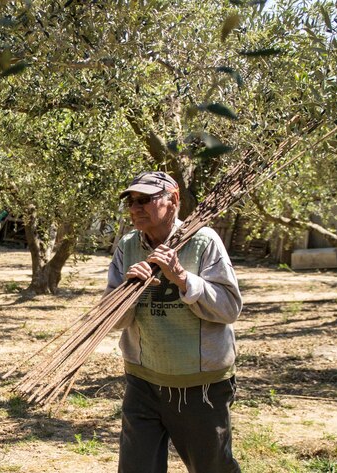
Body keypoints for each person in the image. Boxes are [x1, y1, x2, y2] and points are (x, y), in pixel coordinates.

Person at [105, 171, 242, 473]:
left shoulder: (204, 242)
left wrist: (181, 277)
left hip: (199, 383)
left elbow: (230, 309)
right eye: (131, 201)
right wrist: (127, 293)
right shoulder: (128, 246)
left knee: (212, 468)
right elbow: (111, 318)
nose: (136, 208)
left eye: (146, 200)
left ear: (174, 200)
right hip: (143, 380)